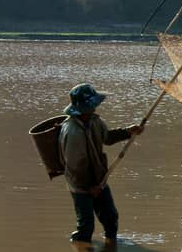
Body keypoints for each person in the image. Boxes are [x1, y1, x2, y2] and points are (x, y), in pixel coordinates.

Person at [59, 82, 143, 243]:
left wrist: (128, 132)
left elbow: (107, 138)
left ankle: (110, 244)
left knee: (111, 217)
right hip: (80, 183)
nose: (95, 108)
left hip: (98, 178)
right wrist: (90, 187)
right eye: (92, 105)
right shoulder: (72, 131)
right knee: (86, 227)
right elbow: (75, 166)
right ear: (85, 106)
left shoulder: (95, 121)